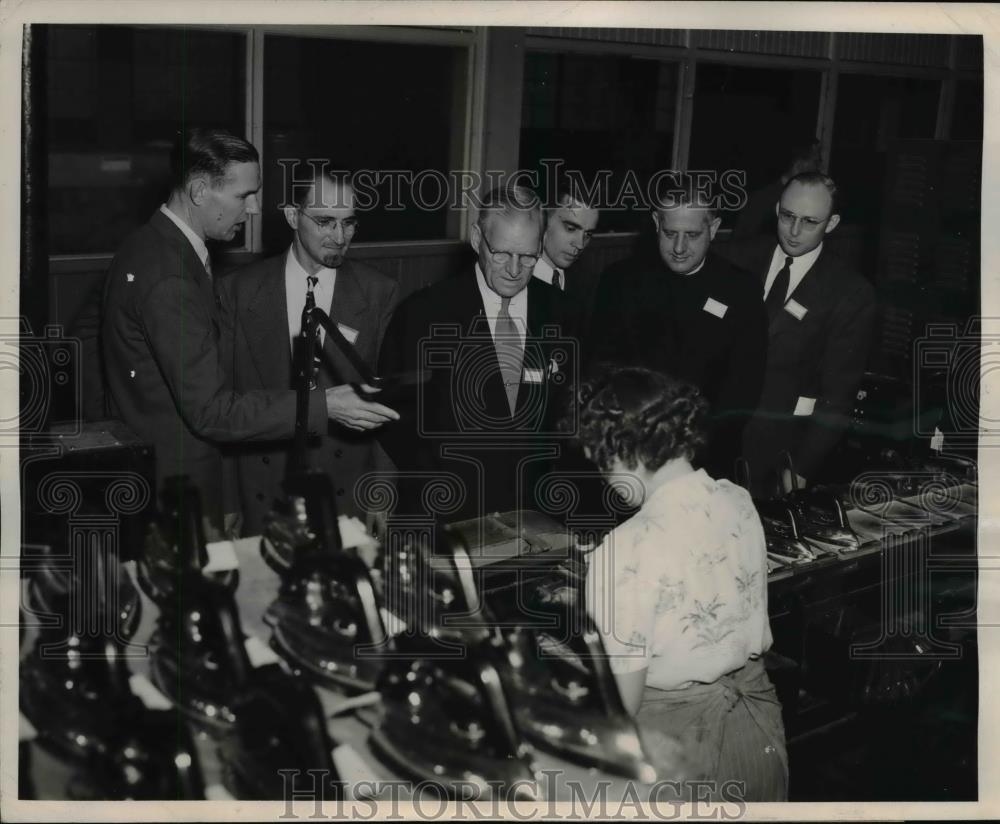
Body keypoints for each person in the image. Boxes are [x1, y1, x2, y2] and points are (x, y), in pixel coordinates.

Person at [101, 128, 345, 536]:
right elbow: (211, 411)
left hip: (152, 473)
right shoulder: (169, 276)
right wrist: (326, 406)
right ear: (199, 191)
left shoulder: (147, 246)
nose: (252, 209)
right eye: (243, 196)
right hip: (176, 492)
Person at [576, 366, 787, 801]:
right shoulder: (738, 500)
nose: (604, 478)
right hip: (757, 727)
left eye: (602, 462)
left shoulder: (624, 548)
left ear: (625, 452)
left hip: (678, 750)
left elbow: (623, 706)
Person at [217, 167, 399, 536]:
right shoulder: (236, 292)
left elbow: (388, 402)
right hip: (264, 488)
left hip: (347, 491)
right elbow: (221, 404)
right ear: (291, 216)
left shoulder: (379, 292)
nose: (339, 237)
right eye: (325, 222)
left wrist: (381, 492)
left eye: (349, 223)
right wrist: (226, 500)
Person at [377, 184, 573, 522]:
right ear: (476, 238)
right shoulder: (424, 313)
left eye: (528, 256)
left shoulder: (564, 311)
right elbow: (397, 421)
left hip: (536, 516)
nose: (514, 269)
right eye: (501, 253)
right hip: (446, 516)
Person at [589, 186, 768, 481]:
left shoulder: (740, 290)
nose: (679, 247)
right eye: (670, 233)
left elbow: (742, 392)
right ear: (657, 223)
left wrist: (684, 449)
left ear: (713, 229)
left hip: (706, 463)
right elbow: (601, 372)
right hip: (631, 459)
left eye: (692, 235)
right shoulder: (620, 281)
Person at [721, 172, 876, 497]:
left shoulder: (849, 292)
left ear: (831, 223)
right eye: (788, 216)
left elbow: (838, 396)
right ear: (777, 208)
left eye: (809, 222)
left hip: (779, 454)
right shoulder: (737, 259)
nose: (793, 231)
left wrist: (802, 466)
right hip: (716, 440)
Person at [532, 190, 601, 338]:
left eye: (588, 234)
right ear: (543, 219)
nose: (580, 244)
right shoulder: (512, 278)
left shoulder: (589, 285)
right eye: (571, 229)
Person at [730, 139, 822, 240]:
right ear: (799, 164)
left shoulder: (806, 197)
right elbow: (740, 242)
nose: (819, 168)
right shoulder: (763, 199)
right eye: (816, 162)